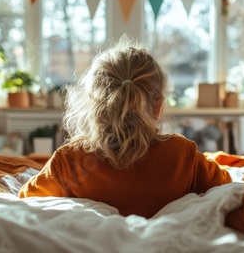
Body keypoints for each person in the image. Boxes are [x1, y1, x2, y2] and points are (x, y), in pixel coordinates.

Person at [19, 37, 231, 218]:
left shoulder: (69, 161)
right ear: (158, 107)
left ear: (94, 104)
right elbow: (226, 187)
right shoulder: (184, 155)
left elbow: (28, 200)